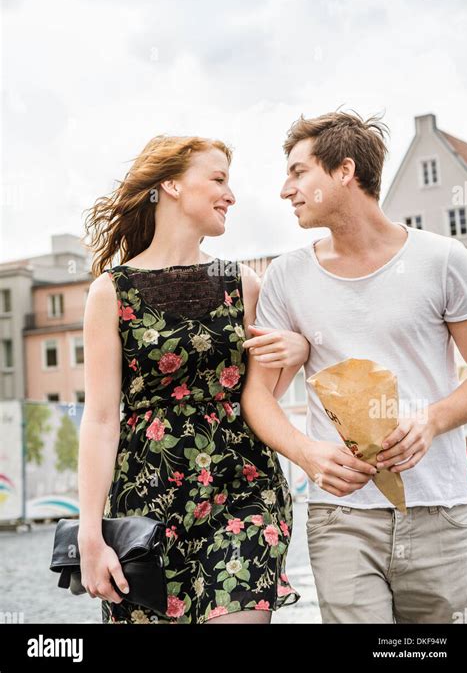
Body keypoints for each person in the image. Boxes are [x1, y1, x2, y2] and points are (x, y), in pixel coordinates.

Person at [240, 111, 467, 624]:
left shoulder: (445, 260)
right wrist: (307, 454)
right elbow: (257, 396)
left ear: (345, 171)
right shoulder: (286, 276)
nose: (286, 189)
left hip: (440, 507)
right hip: (340, 515)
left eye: (299, 172)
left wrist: (432, 420)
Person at [78, 134, 308, 624]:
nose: (231, 195)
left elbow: (261, 395)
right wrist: (89, 533)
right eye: (218, 179)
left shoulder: (243, 284)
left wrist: (297, 351)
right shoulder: (109, 293)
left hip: (244, 492)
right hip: (147, 501)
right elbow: (99, 419)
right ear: (173, 185)